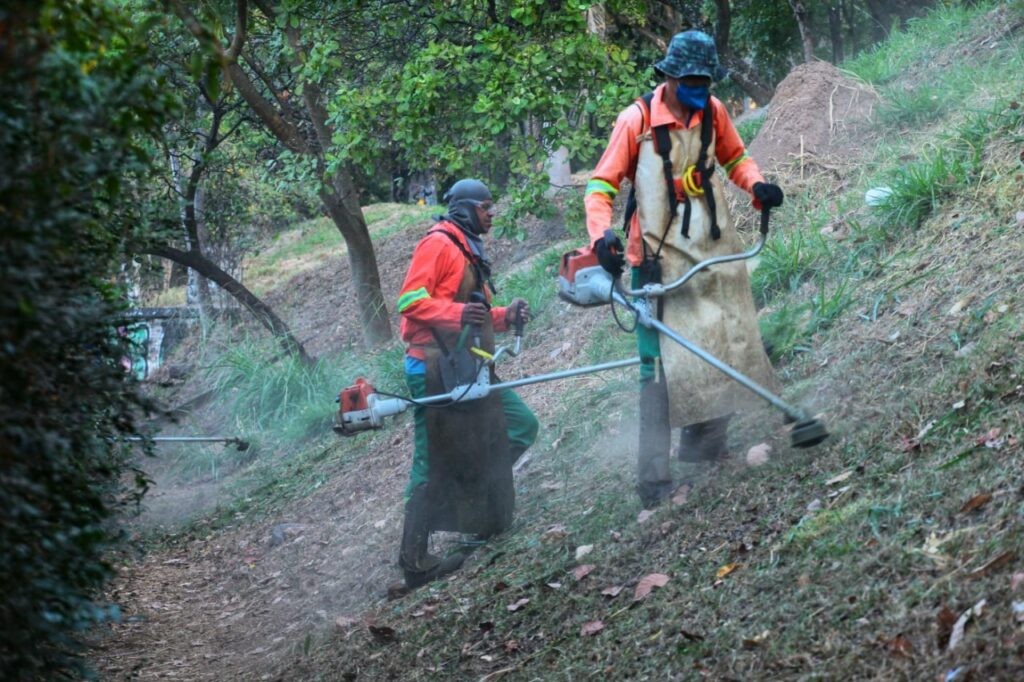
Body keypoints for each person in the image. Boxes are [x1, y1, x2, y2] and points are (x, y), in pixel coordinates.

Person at [583, 30, 784, 508]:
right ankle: (653, 483)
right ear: (670, 77)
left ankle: (704, 446)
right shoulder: (635, 121)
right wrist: (600, 237)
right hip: (655, 259)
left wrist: (757, 186)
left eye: (705, 79)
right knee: (658, 369)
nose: (698, 87)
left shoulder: (712, 110)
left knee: (724, 339)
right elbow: (600, 186)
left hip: (710, 247)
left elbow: (735, 157)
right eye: (690, 79)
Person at [395, 178, 539, 587]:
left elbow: (473, 312)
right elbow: (408, 302)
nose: (492, 213)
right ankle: (414, 559)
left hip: (468, 363)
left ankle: (475, 505)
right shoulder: (438, 244)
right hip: (431, 366)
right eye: (485, 206)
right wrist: (458, 316)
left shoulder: (468, 246)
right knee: (429, 457)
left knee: (521, 425)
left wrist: (505, 316)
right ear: (464, 209)